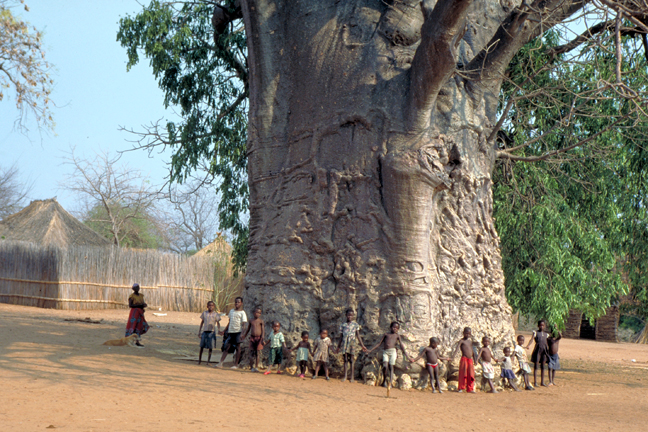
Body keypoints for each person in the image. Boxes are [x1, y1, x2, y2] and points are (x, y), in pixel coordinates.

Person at [366, 322, 412, 388]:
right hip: (386, 352)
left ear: (398, 329)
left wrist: (407, 357)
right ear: (390, 327)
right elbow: (379, 343)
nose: (395, 329)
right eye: (393, 327)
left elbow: (401, 346)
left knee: (391, 366)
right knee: (385, 366)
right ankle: (384, 381)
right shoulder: (386, 334)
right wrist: (370, 350)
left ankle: (390, 383)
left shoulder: (397, 336)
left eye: (396, 328)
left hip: (393, 352)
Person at [336, 308, 367, 383]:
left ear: (353, 316)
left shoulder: (356, 325)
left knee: (352, 360)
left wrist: (362, 345)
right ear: (346, 315)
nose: (349, 317)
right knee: (345, 360)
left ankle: (352, 377)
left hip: (352, 343)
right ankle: (345, 376)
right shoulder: (343, 325)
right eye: (348, 315)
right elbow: (341, 337)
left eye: (351, 315)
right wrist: (338, 347)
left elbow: (358, 336)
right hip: (345, 343)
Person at [216, 297, 248, 369]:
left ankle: (236, 365)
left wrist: (242, 333)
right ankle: (220, 363)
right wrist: (224, 330)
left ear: (241, 303)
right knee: (226, 347)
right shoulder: (231, 311)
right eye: (236, 302)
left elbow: (244, 325)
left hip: (238, 332)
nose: (237, 303)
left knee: (237, 347)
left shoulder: (242, 313)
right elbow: (229, 322)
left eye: (238, 302)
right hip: (231, 332)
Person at [452, 327, 477, 393]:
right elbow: (457, 349)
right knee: (463, 373)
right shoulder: (461, 341)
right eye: (466, 333)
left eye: (469, 334)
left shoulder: (470, 342)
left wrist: (475, 360)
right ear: (463, 333)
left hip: (470, 359)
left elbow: (472, 351)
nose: (468, 335)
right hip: (464, 359)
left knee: (471, 374)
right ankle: (461, 387)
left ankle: (470, 388)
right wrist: (453, 357)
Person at [526, 319, 550, 387]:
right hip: (537, 350)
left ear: (544, 326)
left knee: (543, 366)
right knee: (536, 366)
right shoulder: (535, 333)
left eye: (543, 325)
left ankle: (542, 382)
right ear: (538, 326)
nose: (541, 327)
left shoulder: (546, 334)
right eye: (540, 325)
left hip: (544, 351)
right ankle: (535, 382)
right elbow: (531, 339)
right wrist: (528, 345)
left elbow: (548, 343)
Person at [197, 301, 221, 365]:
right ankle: (199, 361)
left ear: (214, 307)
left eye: (212, 305)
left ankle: (208, 361)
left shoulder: (215, 314)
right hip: (205, 332)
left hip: (212, 332)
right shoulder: (204, 313)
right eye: (209, 305)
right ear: (207, 306)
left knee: (210, 347)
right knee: (201, 346)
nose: (211, 307)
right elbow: (202, 322)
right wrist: (199, 331)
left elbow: (218, 322)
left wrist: (219, 330)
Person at [242, 307, 265, 372]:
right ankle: (252, 367)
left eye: (259, 313)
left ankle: (256, 367)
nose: (257, 314)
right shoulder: (251, 320)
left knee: (258, 353)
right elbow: (248, 329)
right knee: (251, 353)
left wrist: (262, 338)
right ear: (253, 313)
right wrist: (244, 336)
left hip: (259, 338)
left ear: (260, 314)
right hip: (252, 338)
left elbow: (263, 330)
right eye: (256, 312)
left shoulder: (261, 321)